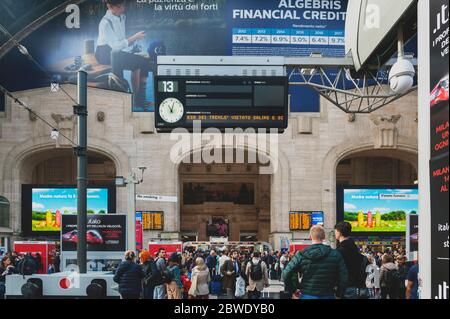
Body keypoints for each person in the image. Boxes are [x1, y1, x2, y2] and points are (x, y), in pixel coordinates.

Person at [96, 0, 151, 106]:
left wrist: (132, 45)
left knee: (143, 61)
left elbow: (121, 41)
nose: (123, 9)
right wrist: (134, 37)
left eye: (123, 6)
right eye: (119, 6)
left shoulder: (121, 17)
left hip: (116, 51)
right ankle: (136, 100)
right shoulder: (105, 23)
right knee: (138, 62)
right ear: (110, 6)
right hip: (105, 53)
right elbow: (115, 46)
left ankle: (139, 99)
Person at [282, 225, 348, 300]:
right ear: (324, 237)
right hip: (328, 294)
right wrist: (339, 293)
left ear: (310, 236)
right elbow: (344, 277)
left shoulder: (301, 254)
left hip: (307, 295)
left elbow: (286, 273)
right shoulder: (335, 254)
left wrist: (292, 290)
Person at [335, 222, 369, 299]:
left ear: (339, 232)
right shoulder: (355, 250)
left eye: (335, 231)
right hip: (358, 288)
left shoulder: (338, 252)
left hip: (344, 289)